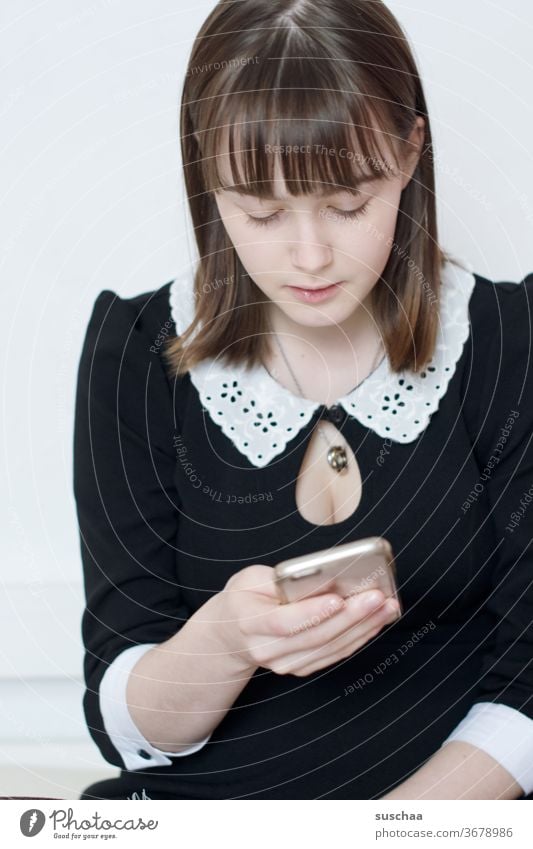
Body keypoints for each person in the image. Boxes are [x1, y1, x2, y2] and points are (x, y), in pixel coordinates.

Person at [74, 0, 533, 800]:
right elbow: (123, 723)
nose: (310, 255)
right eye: (261, 212)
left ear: (409, 152)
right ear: (205, 177)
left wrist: (383, 833)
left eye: (349, 204)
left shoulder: (509, 341)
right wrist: (225, 637)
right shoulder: (135, 350)